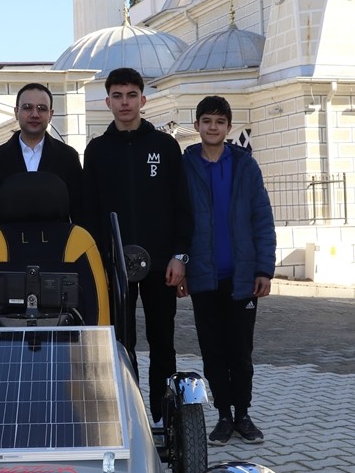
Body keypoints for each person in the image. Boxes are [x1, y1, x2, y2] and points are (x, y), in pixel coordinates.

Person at [82, 67, 191, 422]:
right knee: (119, 344)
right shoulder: (97, 151)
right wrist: (97, 262)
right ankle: (126, 414)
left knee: (163, 343)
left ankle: (164, 417)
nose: (124, 102)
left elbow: (181, 206)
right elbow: (88, 212)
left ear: (143, 100)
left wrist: (180, 256)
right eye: (117, 96)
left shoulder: (165, 146)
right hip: (114, 267)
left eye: (131, 95)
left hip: (161, 264)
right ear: (108, 102)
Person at [181, 96, 276, 445]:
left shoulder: (245, 166)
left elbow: (262, 218)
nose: (213, 127)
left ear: (229, 127)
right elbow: (178, 220)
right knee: (213, 351)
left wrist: (264, 268)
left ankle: (243, 415)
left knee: (240, 351)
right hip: (204, 277)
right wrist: (182, 265)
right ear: (196, 125)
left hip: (242, 278)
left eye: (219, 122)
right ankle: (223, 415)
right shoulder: (185, 166)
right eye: (206, 121)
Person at [0, 82, 83, 224]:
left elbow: (79, 210)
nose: (35, 114)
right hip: (9, 237)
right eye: (27, 107)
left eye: (42, 109)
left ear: (50, 114)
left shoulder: (68, 157)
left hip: (56, 237)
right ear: (16, 112)